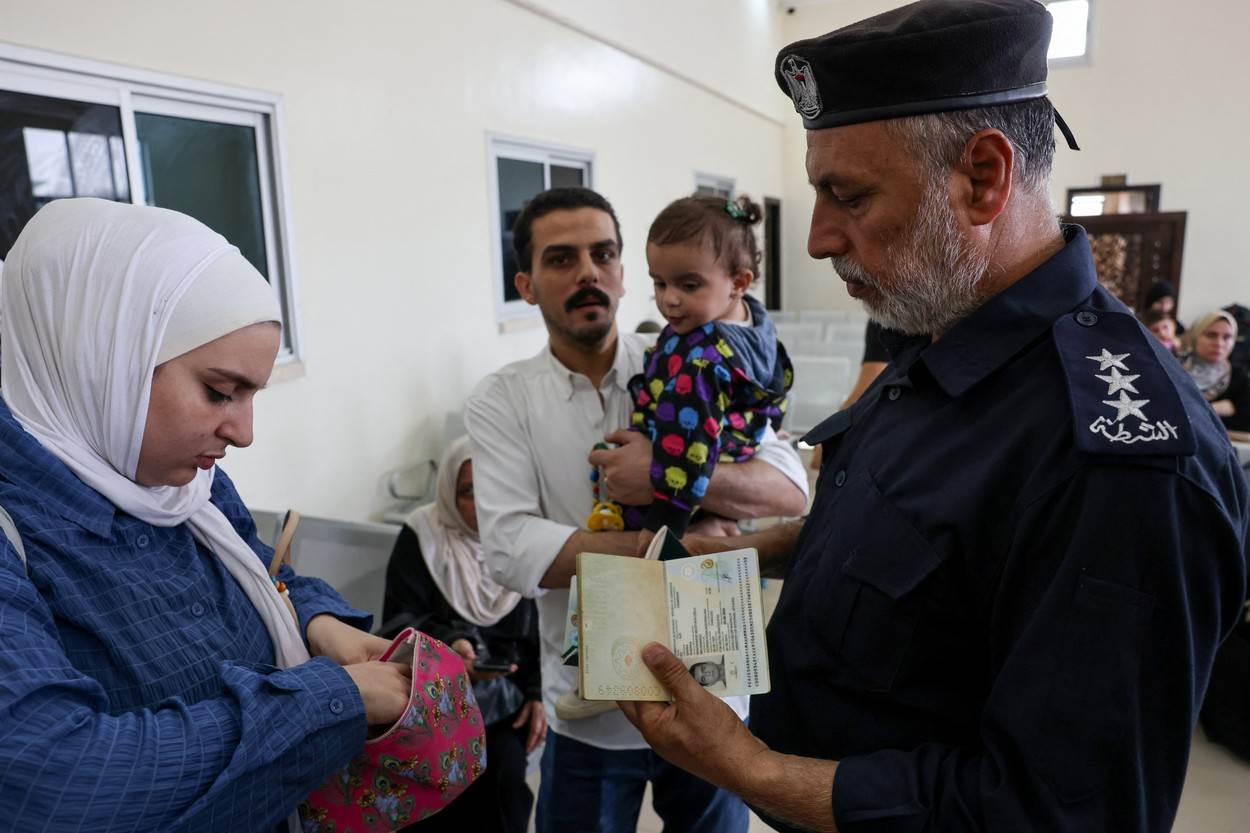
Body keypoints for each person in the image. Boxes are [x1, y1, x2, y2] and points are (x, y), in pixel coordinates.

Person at [616, 3, 1249, 833]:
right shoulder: (941, 327)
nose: (817, 239)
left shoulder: (1122, 466)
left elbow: (1058, 813)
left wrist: (751, 768)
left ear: (983, 177)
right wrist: (760, 548)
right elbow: (933, 547)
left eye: (848, 195)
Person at [0, 198, 416, 833]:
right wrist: (337, 698)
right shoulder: (19, 534)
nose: (243, 433)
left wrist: (317, 621)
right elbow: (53, 783)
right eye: (220, 392)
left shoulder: (188, 484)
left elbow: (259, 571)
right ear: (103, 362)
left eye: (250, 395)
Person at [464, 186, 808, 833]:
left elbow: (788, 488)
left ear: (623, 274)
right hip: (591, 714)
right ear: (526, 285)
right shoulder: (501, 400)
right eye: (561, 258)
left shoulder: (688, 358)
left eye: (603, 254)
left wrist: (659, 475)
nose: (588, 272)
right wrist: (684, 550)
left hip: (713, 693)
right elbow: (510, 550)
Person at [382, 435, 544, 833]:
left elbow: (547, 633)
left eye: (492, 489)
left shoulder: (522, 538)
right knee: (435, 786)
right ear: (449, 492)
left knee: (504, 785)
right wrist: (449, 644)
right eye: (469, 491)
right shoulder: (424, 535)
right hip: (432, 697)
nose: (483, 503)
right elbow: (398, 621)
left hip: (506, 702)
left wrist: (539, 694)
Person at [627, 194, 793, 549]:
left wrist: (664, 523)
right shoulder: (756, 320)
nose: (669, 299)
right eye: (659, 283)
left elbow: (687, 440)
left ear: (739, 283)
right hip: (735, 449)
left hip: (684, 468)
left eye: (689, 285)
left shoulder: (701, 358)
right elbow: (779, 379)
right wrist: (769, 426)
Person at [1181, 310, 1250, 433]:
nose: (1219, 343)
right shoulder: (1173, 368)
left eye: (1227, 337)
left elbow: (1246, 422)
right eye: (1211, 335)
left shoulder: (1238, 376)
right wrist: (1214, 410)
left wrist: (1196, 413)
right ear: (1195, 336)